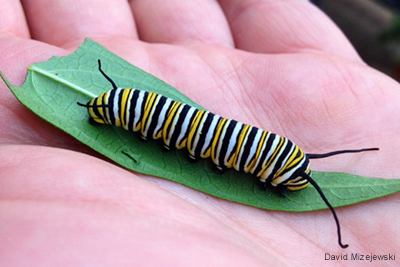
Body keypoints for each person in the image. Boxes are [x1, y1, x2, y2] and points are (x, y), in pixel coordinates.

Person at [0, 1, 399, 266]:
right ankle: (112, 106)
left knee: (198, 131)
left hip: (140, 112)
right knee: (194, 130)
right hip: (130, 111)